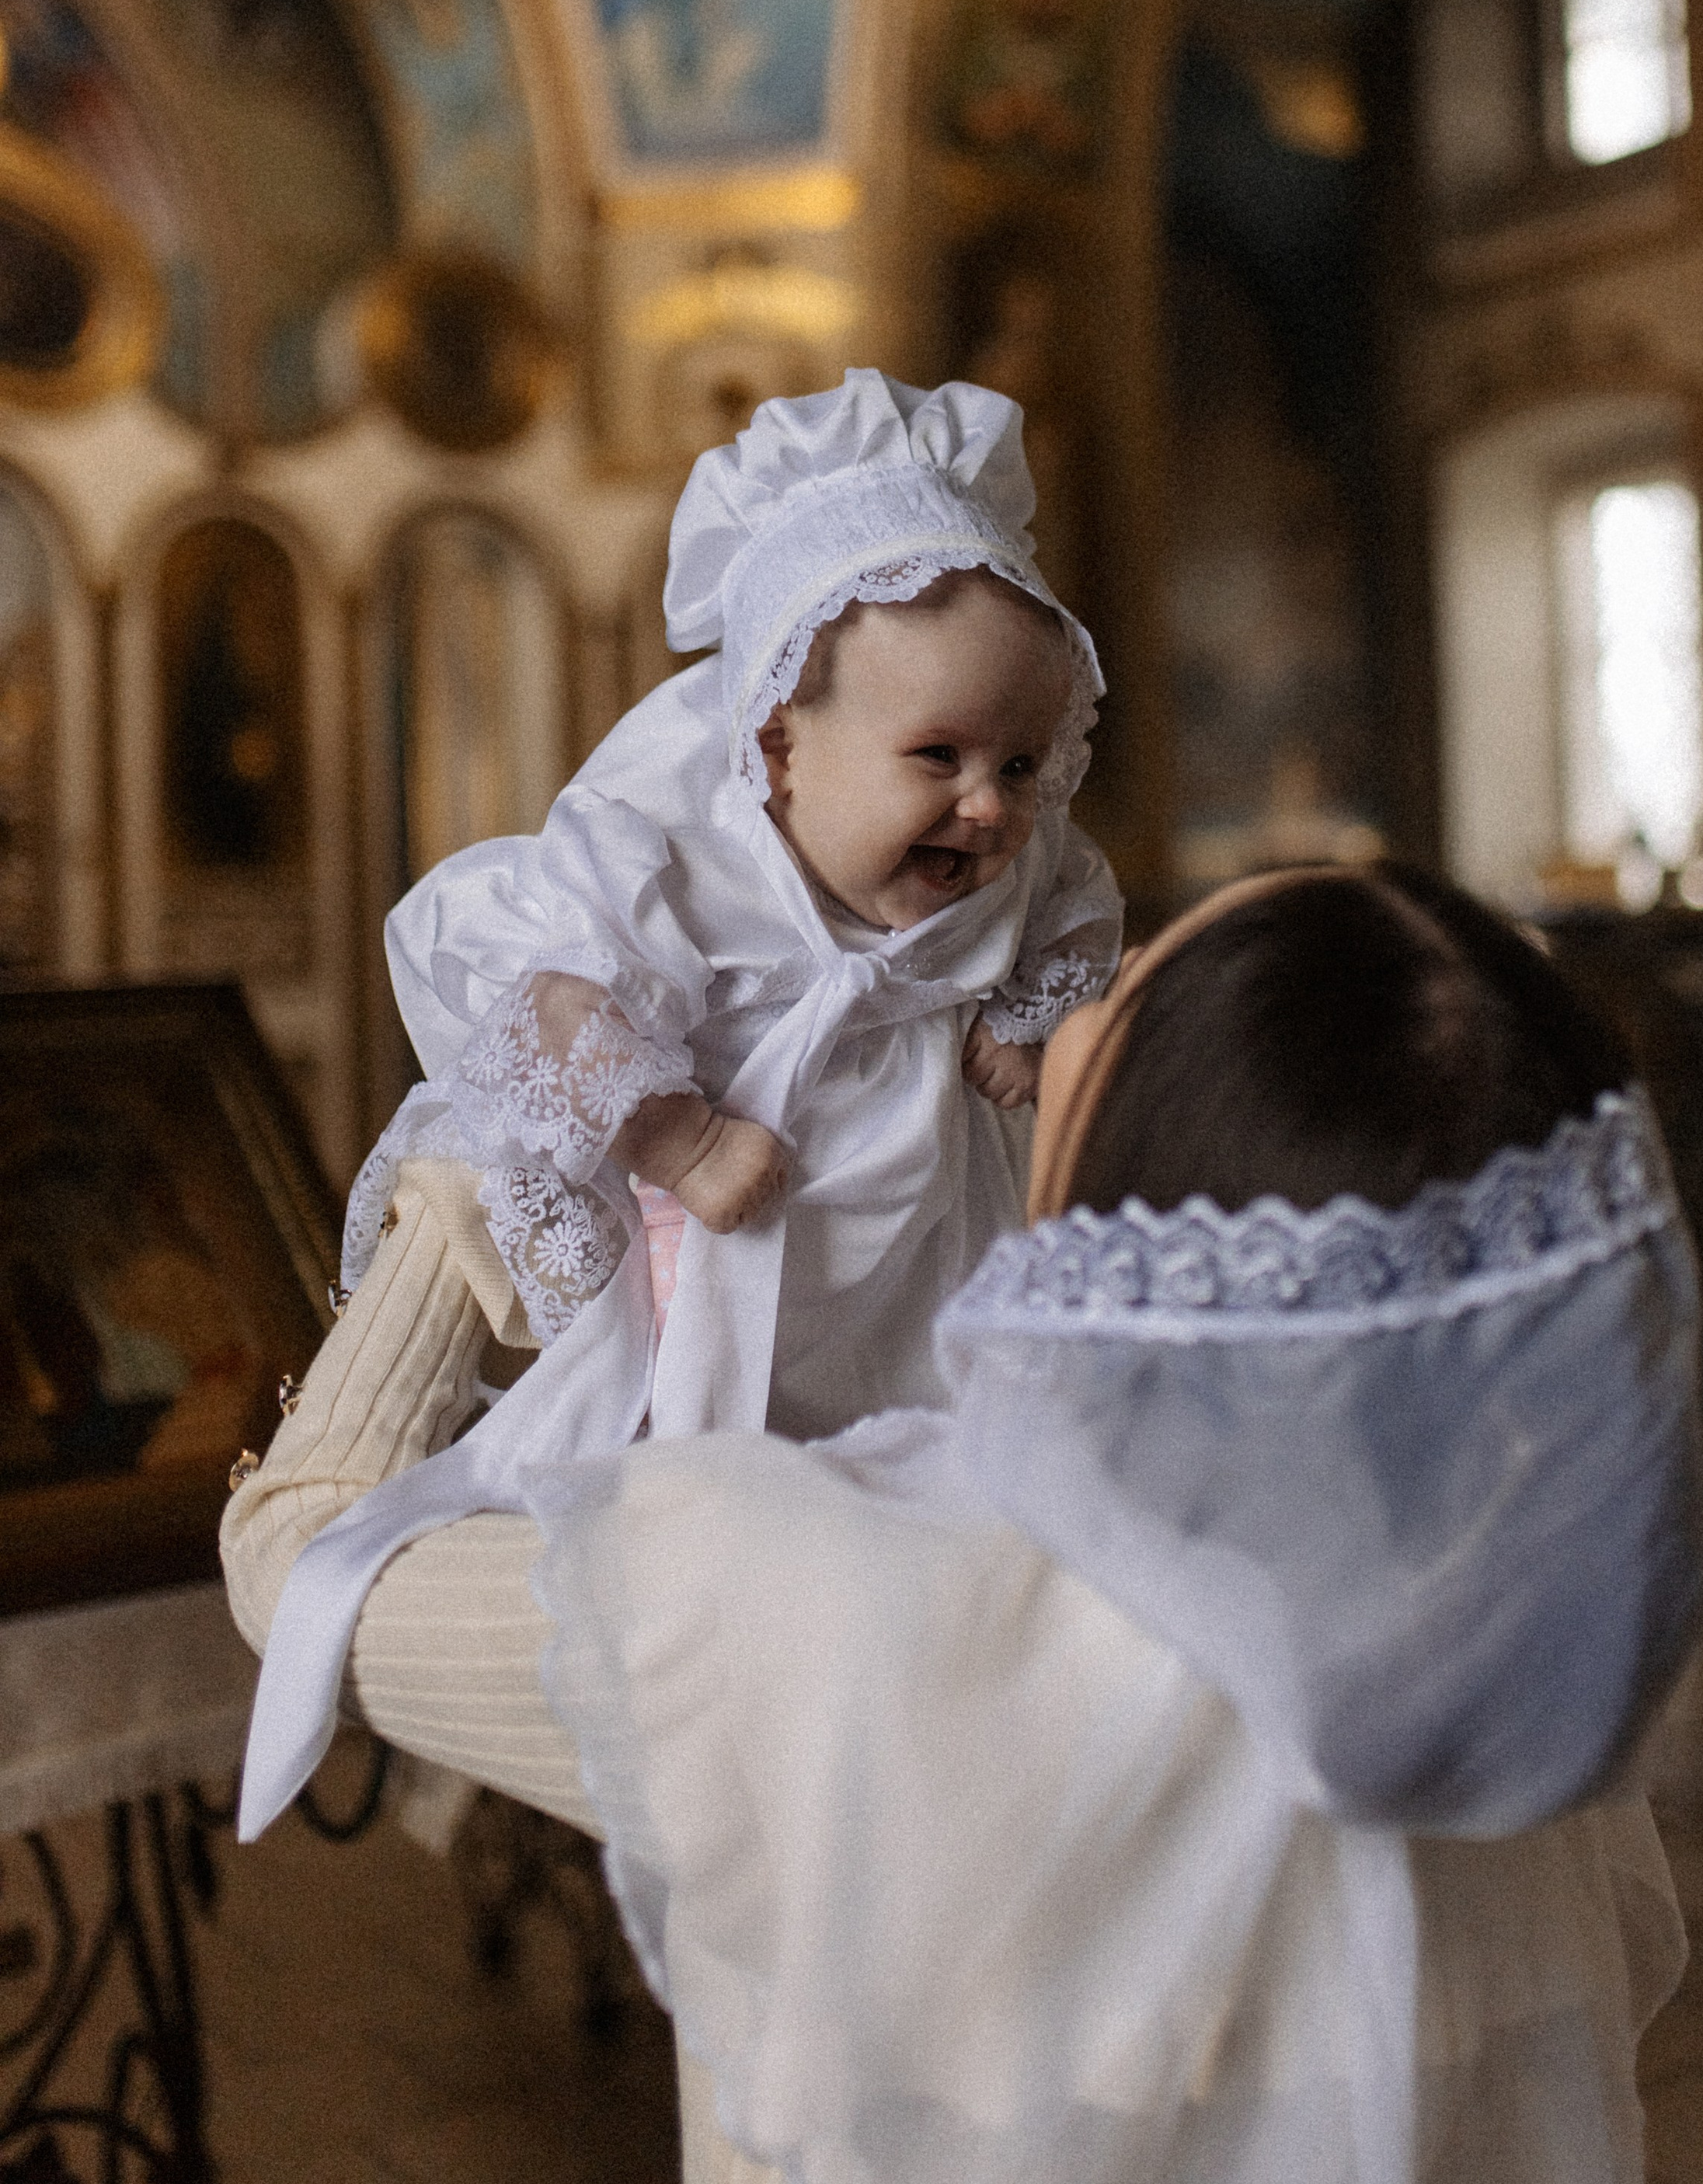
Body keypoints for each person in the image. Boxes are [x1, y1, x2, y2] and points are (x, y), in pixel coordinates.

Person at [225, 861, 1703, 2184]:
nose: (1061, 1018)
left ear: (1158, 1184)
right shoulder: (1509, 1641)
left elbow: (302, 1560)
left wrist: (485, 1150)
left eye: (1122, 992)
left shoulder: (797, 1594)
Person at [232, 369, 1121, 1838]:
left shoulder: (1022, 866)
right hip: (728, 1226)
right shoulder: (672, 857)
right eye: (940, 759)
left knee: (925, 1457)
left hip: (915, 1245)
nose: (989, 807)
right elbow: (546, 1007)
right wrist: (678, 1133)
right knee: (712, 1469)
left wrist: (1031, 1021)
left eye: (1021, 765)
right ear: (777, 747)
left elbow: (1081, 919)